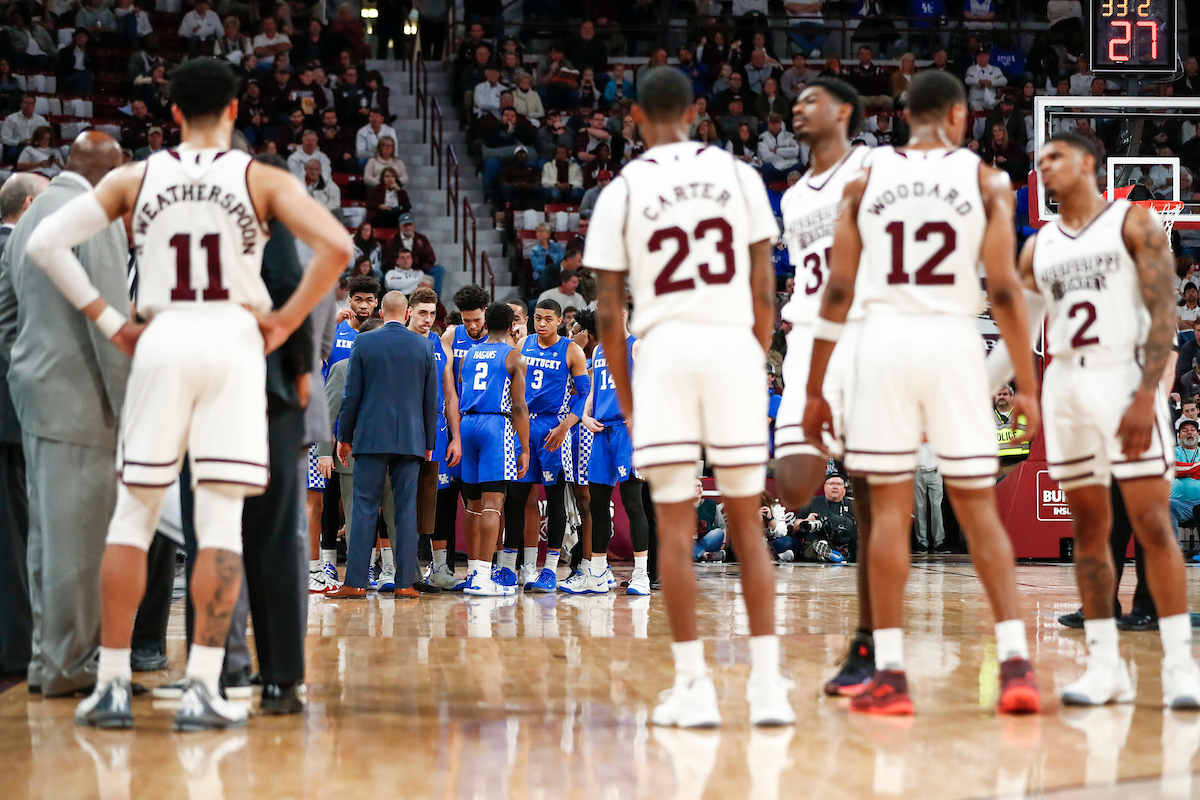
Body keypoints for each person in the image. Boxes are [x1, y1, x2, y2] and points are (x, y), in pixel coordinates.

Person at [27, 59, 350, 729]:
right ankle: (205, 687)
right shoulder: (260, 176)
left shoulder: (134, 177)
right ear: (234, 111)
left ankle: (111, 683)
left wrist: (112, 321)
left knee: (133, 516)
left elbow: (47, 242)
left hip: (163, 338)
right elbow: (338, 246)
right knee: (221, 523)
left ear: (170, 114)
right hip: (233, 342)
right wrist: (286, 322)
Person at [802, 70, 1041, 715]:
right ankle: (1016, 663)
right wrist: (1025, 380)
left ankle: (893, 674)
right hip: (955, 344)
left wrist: (818, 383)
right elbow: (1005, 291)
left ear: (905, 115)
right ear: (960, 117)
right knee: (978, 510)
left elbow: (839, 292)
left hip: (884, 346)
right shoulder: (988, 181)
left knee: (887, 512)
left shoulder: (865, 180)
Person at [586, 68, 791, 728]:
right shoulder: (741, 176)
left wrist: (627, 393)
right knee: (747, 523)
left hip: (666, 351)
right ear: (698, 112)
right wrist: (753, 358)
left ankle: (694, 685)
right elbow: (765, 287)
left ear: (635, 119)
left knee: (673, 528)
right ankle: (765, 688)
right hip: (733, 345)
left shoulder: (623, 189)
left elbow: (610, 313)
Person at [1018, 132, 1200, 706]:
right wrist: (1018, 389)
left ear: (1091, 164)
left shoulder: (1134, 223)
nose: (1045, 165)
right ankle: (1104, 667)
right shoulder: (1039, 246)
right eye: (1040, 159)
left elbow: (1164, 314)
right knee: (1091, 532)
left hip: (1124, 377)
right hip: (1066, 386)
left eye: (1057, 157)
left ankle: (1178, 668)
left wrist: (1148, 395)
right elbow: (1021, 328)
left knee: (1150, 522)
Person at [0, 134, 127, 698]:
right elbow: (113, 327)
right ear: (109, 173)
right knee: (78, 543)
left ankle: (44, 659)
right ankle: (70, 666)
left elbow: (5, 316)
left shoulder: (29, 215)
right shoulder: (91, 216)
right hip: (82, 402)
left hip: (35, 396)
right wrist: (131, 412)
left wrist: (28, 374)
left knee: (46, 539)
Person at [773, 77, 876, 697]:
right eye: (795, 101)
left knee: (874, 496)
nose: (797, 108)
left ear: (843, 111)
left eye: (810, 99)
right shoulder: (791, 197)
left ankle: (870, 643)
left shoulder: (873, 168)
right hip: (807, 341)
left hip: (862, 338)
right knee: (792, 482)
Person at [330, 292, 439, 598]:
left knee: (363, 509)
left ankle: (354, 583)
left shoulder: (363, 343)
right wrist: (429, 441)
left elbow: (351, 394)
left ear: (380, 310)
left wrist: (345, 437)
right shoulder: (424, 345)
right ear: (407, 314)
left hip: (370, 436)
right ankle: (405, 584)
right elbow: (431, 399)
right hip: (412, 438)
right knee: (405, 511)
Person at [497, 299, 590, 592]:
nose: (542, 323)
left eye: (548, 319)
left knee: (555, 498)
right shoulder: (523, 344)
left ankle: (549, 570)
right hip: (524, 426)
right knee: (517, 496)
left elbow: (584, 394)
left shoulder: (571, 350)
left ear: (559, 321)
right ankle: (509, 569)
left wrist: (566, 426)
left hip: (554, 428)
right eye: (538, 318)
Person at [0, 173, 48, 679]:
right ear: (32, 204)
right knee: (15, 534)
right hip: (13, 411)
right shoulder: (22, 254)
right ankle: (16, 652)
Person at [455, 302, 530, 596]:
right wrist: (524, 448)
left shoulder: (469, 355)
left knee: (472, 506)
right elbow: (520, 407)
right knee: (492, 504)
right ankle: (484, 576)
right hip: (495, 426)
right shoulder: (514, 357)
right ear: (512, 325)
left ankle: (474, 571)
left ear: (486, 323)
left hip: (467, 424)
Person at [580, 306, 652, 594]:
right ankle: (597, 573)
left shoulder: (637, 346)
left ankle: (641, 575)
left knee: (633, 502)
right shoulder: (598, 351)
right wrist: (585, 416)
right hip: (601, 432)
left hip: (627, 433)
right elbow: (594, 392)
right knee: (597, 503)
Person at [428, 284, 491, 589]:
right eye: (467, 320)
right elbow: (445, 384)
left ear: (486, 313)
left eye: (476, 320)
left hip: (483, 427)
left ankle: (481, 569)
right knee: (442, 500)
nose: (472, 325)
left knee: (477, 501)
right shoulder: (451, 336)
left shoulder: (498, 339)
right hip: (452, 425)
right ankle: (441, 568)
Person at [406, 286, 461, 590]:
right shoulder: (400, 340)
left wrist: (456, 437)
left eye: (432, 313)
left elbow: (451, 395)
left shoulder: (441, 344)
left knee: (437, 501)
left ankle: (439, 568)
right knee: (401, 499)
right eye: (422, 313)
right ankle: (398, 567)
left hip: (437, 431)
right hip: (406, 430)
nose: (427, 319)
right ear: (409, 312)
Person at [994, 382, 1030, 477]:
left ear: (1012, 397)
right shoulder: (986, 416)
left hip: (1017, 465)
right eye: (998, 394)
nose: (1001, 397)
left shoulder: (1023, 415)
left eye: (1005, 394)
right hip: (995, 468)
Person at [1, 94, 47, 164]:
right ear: (21, 104)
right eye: (26, 103)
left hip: (35, 147)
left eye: (31, 103)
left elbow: (46, 137)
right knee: (13, 153)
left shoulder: (41, 120)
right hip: (18, 147)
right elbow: (4, 139)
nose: (28, 106)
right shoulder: (11, 119)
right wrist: (19, 143)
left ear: (34, 106)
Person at [1171, 419, 1200, 529]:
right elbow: (1173, 468)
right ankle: (1174, 546)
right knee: (1165, 506)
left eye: (1193, 430)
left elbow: (1180, 469)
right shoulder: (1173, 452)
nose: (1189, 432)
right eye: (1184, 431)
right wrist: (1197, 468)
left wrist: (1185, 471)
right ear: (1179, 437)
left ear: (1197, 434)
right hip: (1179, 504)